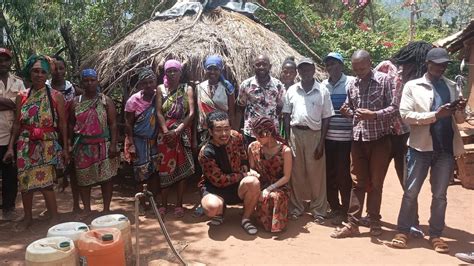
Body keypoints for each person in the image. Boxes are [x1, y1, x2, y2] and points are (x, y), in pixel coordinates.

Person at [390, 48, 466, 253]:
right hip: (420, 147)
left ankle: (436, 234)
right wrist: (435, 115)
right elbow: (405, 115)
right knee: (411, 192)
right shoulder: (413, 86)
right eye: (437, 64)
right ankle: (403, 230)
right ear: (427, 64)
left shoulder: (451, 86)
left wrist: (460, 109)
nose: (441, 68)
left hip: (445, 149)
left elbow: (459, 120)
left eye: (444, 65)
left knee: (440, 195)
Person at [331, 50, 397, 238]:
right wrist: (347, 112)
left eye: (362, 67)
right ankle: (353, 224)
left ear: (370, 63)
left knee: (376, 183)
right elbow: (351, 108)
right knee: (357, 183)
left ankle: (374, 221)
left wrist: (374, 115)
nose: (359, 71)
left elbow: (395, 108)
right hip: (358, 139)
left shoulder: (385, 80)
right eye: (356, 68)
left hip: (379, 140)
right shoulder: (352, 83)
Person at [3, 55, 69, 230]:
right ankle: (28, 218)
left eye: (43, 71)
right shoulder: (22, 96)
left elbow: (62, 123)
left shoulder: (56, 96)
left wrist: (65, 148)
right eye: (35, 71)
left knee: (46, 182)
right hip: (24, 144)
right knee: (25, 181)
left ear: (48, 74)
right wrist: (10, 147)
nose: (39, 74)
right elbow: (17, 123)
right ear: (29, 73)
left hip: (47, 143)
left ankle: (54, 217)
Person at [282, 57, 334, 222]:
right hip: (295, 133)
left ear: (313, 70)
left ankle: (319, 210)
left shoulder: (322, 90)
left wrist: (321, 142)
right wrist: (287, 137)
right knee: (295, 173)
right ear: (299, 72)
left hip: (314, 135)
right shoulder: (292, 90)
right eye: (302, 69)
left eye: (308, 69)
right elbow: (286, 114)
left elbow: (326, 117)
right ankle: (296, 207)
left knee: (316, 174)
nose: (305, 72)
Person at [198, 111, 260, 235]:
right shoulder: (206, 153)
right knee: (211, 208)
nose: (224, 134)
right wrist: (243, 175)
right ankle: (219, 211)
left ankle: (246, 219)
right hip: (215, 188)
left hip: (237, 185)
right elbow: (219, 180)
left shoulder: (237, 136)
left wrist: (244, 168)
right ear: (210, 131)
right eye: (218, 130)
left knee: (253, 182)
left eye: (226, 129)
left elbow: (243, 155)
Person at [69, 69, 119, 214]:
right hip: (82, 146)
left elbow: (113, 124)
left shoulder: (105, 101)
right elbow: (71, 124)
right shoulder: (75, 103)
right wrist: (69, 144)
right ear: (81, 83)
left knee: (106, 178)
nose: (89, 83)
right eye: (86, 80)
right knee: (83, 179)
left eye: (92, 80)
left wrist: (114, 144)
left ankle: (106, 209)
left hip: (103, 144)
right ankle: (87, 210)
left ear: (97, 81)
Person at [156, 59, 195, 217]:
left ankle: (179, 204)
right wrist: (166, 131)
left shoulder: (187, 89)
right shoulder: (160, 89)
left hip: (182, 132)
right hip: (164, 135)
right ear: (165, 73)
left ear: (180, 73)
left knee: (181, 167)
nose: (172, 74)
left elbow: (191, 113)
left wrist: (178, 131)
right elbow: (158, 112)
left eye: (175, 71)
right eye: (169, 71)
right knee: (164, 168)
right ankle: (164, 204)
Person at [321, 52, 354, 225]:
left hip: (346, 138)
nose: (330, 67)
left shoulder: (351, 82)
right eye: (328, 65)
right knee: (329, 175)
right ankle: (335, 207)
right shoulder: (323, 86)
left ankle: (347, 210)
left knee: (344, 175)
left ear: (341, 65)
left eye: (334, 64)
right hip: (327, 138)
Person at [47, 55, 81, 213]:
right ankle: (51, 208)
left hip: (71, 134)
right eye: (55, 68)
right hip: (51, 135)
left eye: (61, 68)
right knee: (52, 172)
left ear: (65, 70)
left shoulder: (72, 88)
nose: (58, 71)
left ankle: (76, 205)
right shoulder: (45, 88)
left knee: (73, 170)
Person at [124, 67, 160, 214]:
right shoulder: (133, 100)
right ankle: (141, 203)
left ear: (155, 82)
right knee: (140, 173)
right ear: (140, 85)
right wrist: (130, 142)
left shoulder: (159, 96)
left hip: (156, 140)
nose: (149, 85)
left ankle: (154, 201)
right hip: (139, 141)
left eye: (151, 82)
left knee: (155, 172)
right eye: (145, 83)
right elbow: (128, 123)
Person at [248, 116, 292, 233]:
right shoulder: (253, 147)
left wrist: (269, 188)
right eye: (256, 135)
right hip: (260, 183)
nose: (257, 139)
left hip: (279, 185)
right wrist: (252, 173)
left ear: (269, 133)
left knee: (273, 197)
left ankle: (274, 224)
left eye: (260, 135)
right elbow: (251, 168)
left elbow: (287, 177)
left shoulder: (285, 150)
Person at [237, 55, 285, 146]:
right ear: (253, 66)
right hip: (252, 131)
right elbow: (241, 106)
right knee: (252, 157)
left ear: (270, 66)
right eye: (258, 64)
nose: (261, 67)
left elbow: (280, 107)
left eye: (264, 64)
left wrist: (269, 117)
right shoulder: (246, 84)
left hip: (272, 130)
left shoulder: (278, 85)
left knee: (270, 158)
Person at [0, 48, 25, 221]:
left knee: (10, 175)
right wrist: (13, 104)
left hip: (13, 137)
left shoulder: (18, 83)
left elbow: (23, 106)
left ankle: (9, 208)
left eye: (5, 60)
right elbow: (17, 104)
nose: (2, 63)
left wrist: (14, 105)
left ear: (10, 62)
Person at [197, 55, 237, 146]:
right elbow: (197, 112)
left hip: (221, 131)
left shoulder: (227, 88)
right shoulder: (200, 87)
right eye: (209, 69)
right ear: (205, 70)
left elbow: (231, 112)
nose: (212, 72)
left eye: (216, 69)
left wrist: (232, 131)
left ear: (220, 70)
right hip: (204, 129)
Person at [278, 57, 297, 139]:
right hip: (277, 125)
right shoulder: (276, 88)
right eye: (285, 72)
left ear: (295, 74)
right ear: (281, 72)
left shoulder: (298, 90)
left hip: (293, 127)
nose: (288, 75)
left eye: (291, 72)